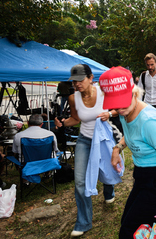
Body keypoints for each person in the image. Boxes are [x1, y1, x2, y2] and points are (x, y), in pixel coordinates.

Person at [99, 66, 156, 238]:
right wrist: (118, 147)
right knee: (128, 223)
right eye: (115, 104)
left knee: (129, 231)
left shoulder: (149, 121)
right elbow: (131, 135)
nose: (119, 110)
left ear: (134, 93)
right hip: (142, 175)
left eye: (122, 103)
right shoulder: (125, 111)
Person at [54, 64, 118, 237]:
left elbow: (119, 108)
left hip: (103, 140)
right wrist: (63, 123)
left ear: (91, 78)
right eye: (74, 82)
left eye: (80, 80)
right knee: (80, 181)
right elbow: (75, 119)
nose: (77, 84)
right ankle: (84, 222)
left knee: (106, 171)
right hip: (84, 140)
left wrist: (109, 114)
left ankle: (108, 189)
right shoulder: (73, 98)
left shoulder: (104, 92)